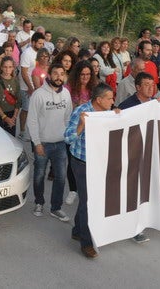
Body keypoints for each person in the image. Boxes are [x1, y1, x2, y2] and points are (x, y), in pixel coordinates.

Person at [64, 83, 122, 258]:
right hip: (81, 162)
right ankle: (87, 243)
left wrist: (118, 116)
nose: (113, 101)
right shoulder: (81, 112)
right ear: (99, 100)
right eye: (110, 98)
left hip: (98, 162)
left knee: (87, 200)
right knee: (88, 202)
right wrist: (82, 125)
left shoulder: (107, 112)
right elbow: (67, 138)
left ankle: (77, 230)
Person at [27, 63, 73, 223]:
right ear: (49, 75)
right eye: (55, 73)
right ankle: (39, 203)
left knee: (60, 177)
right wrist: (37, 143)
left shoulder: (66, 94)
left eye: (62, 74)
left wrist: (68, 138)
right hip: (43, 144)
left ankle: (56, 208)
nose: (59, 77)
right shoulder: (39, 95)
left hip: (60, 143)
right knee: (39, 174)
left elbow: (68, 117)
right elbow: (31, 120)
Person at [0, 56, 21, 135]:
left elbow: (18, 100)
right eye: (5, 67)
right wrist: (5, 118)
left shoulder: (16, 80)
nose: (7, 70)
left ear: (13, 68)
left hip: (12, 114)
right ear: (1, 68)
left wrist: (14, 117)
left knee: (11, 139)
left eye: (10, 67)